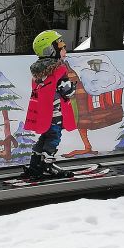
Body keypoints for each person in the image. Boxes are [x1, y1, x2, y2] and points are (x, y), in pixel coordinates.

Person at [23, 30, 77, 178]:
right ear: (51, 50)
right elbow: (68, 92)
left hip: (44, 115)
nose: (64, 48)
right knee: (54, 138)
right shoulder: (59, 70)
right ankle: (47, 165)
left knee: (44, 138)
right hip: (56, 115)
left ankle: (35, 164)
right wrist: (73, 86)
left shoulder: (38, 73)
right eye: (61, 45)